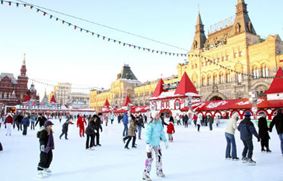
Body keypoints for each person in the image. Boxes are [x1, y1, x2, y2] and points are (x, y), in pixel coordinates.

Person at [142, 112, 168, 181]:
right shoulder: (150, 124)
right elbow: (147, 134)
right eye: (156, 115)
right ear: (153, 116)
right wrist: (148, 142)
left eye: (158, 114)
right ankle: (146, 174)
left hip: (157, 144)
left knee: (159, 157)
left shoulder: (159, 124)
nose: (158, 116)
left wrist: (165, 140)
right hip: (150, 144)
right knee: (149, 159)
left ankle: (159, 171)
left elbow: (162, 132)